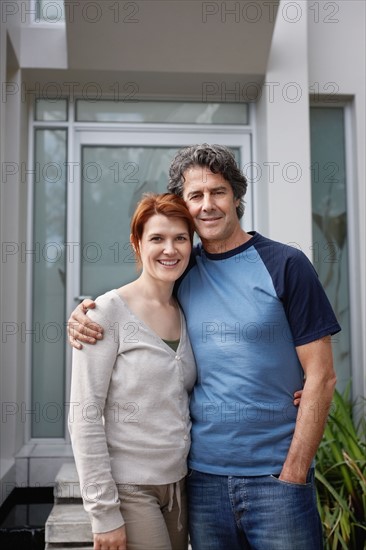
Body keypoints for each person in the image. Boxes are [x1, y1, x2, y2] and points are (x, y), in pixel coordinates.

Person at [68, 144, 340, 550]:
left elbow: (322, 374)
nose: (208, 205)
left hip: (277, 480)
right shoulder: (181, 268)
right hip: (202, 480)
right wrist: (85, 313)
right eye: (195, 195)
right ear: (183, 203)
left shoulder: (286, 265)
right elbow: (136, 301)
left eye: (218, 192)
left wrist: (295, 471)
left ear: (236, 197)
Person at [68, 193, 197, 550]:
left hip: (180, 486)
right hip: (129, 489)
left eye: (180, 238)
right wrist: (103, 513)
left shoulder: (186, 307)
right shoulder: (105, 313)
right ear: (137, 244)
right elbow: (84, 415)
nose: (169, 249)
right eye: (157, 238)